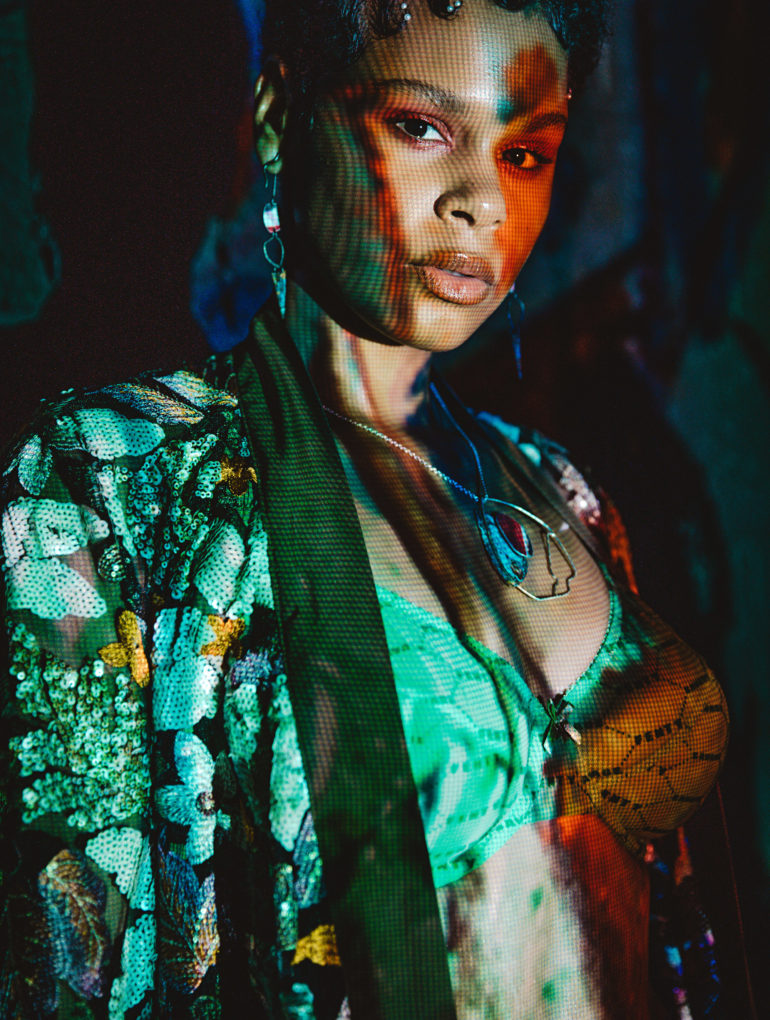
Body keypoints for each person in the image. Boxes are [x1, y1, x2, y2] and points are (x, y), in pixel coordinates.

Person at [0, 1, 729, 1017]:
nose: (480, 200)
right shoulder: (113, 479)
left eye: (523, 153)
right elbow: (74, 971)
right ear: (277, 119)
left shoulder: (567, 492)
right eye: (421, 126)